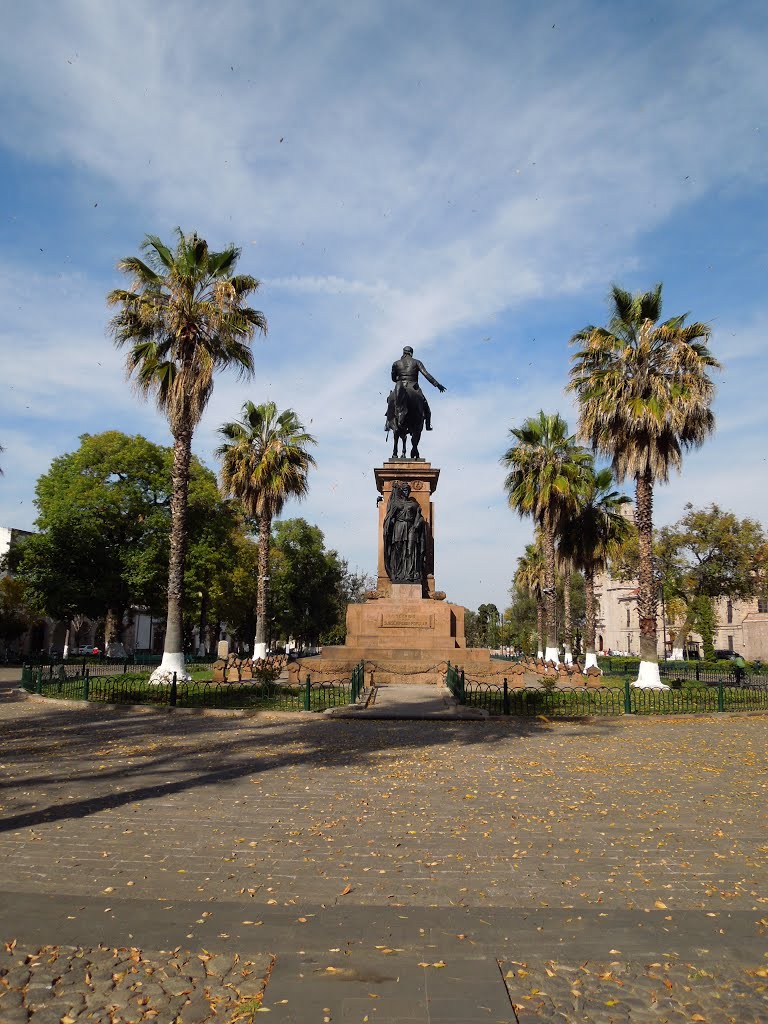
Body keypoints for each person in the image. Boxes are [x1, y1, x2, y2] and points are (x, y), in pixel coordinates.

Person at [385, 346, 446, 433]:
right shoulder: (416, 362)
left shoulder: (396, 363)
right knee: (426, 407)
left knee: (389, 400)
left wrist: (399, 378)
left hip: (400, 386)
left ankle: (388, 422)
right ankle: (428, 425)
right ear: (411, 353)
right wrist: (437, 384)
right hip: (413, 387)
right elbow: (426, 375)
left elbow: (393, 378)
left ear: (403, 353)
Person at [383, 481, 426, 583]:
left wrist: (417, 525)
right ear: (401, 491)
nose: (406, 492)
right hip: (398, 528)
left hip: (410, 528)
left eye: (408, 490)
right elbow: (390, 516)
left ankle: (410, 574)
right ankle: (397, 574)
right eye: (404, 490)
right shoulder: (396, 503)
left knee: (410, 551)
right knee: (397, 550)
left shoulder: (414, 505)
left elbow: (420, 518)